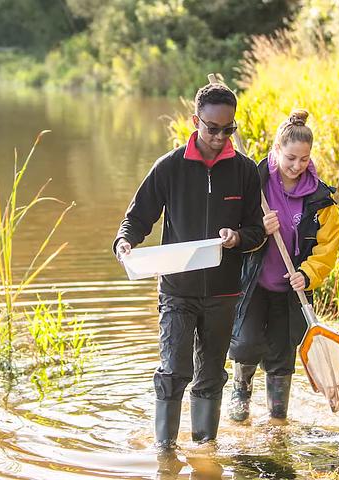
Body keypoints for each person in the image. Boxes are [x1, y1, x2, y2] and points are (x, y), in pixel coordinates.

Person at [113, 83, 265, 449]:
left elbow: (257, 230)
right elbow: (137, 218)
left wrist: (237, 238)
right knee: (174, 370)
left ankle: (205, 450)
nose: (220, 136)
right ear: (195, 121)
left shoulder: (244, 171)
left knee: (212, 374)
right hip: (177, 290)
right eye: (212, 128)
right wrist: (124, 242)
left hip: (224, 291)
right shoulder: (169, 167)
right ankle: (164, 452)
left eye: (228, 129)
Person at [227, 109, 339, 422]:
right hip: (253, 282)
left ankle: (278, 418)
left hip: (292, 290)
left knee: (282, 353)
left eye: (304, 159)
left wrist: (308, 273)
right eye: (290, 157)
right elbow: (234, 225)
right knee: (246, 344)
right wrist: (258, 228)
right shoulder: (255, 182)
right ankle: (240, 399)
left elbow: (327, 248)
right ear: (277, 150)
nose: (296, 166)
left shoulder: (320, 199)